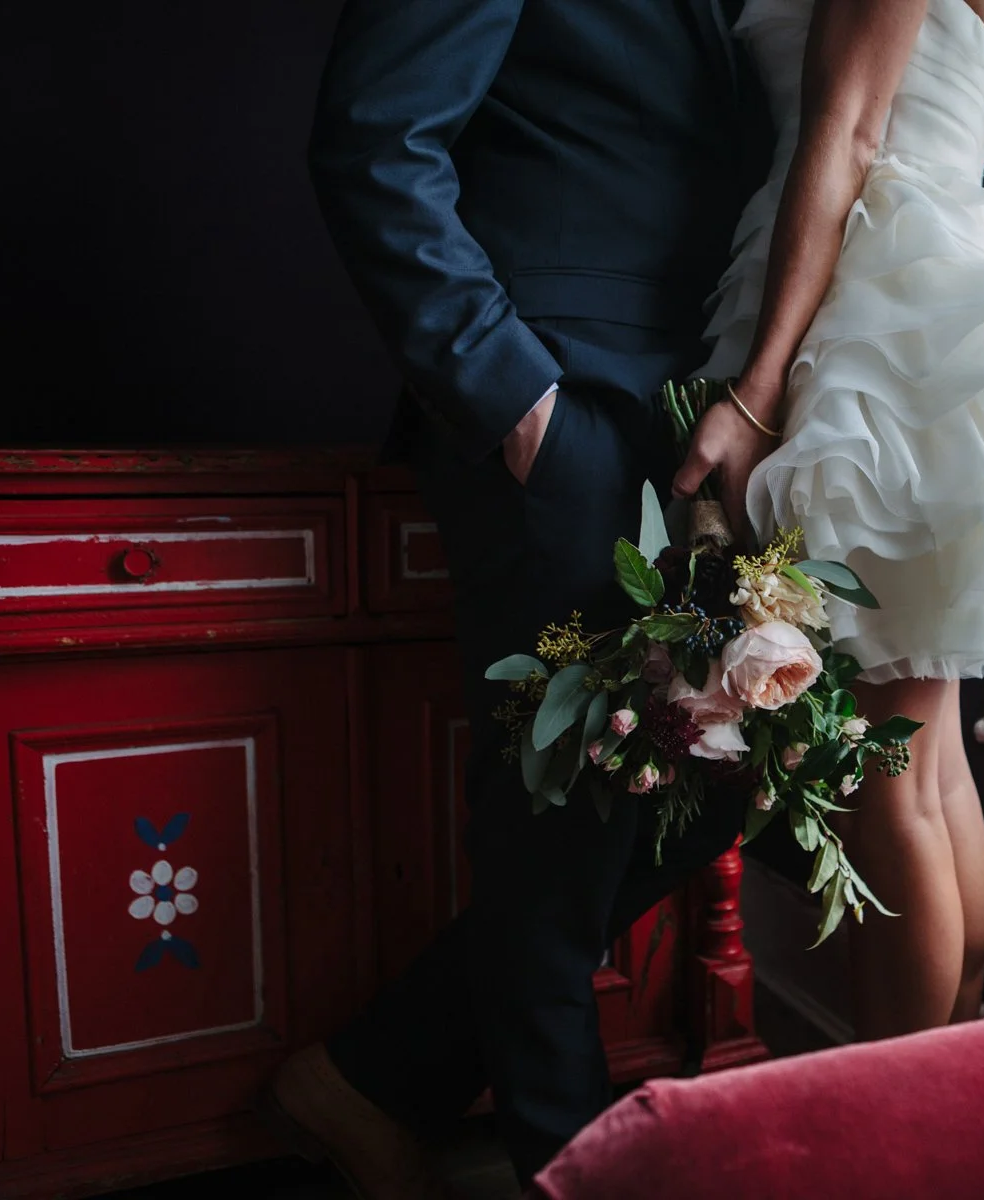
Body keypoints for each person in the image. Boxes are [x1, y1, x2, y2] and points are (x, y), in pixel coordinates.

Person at [268, 2, 768, 1195]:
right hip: (565, 411)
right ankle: (573, 1168)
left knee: (716, 788)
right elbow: (373, 138)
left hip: (703, 426)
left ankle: (368, 1075)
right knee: (556, 819)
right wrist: (519, 405)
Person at [675, 0, 984, 1039]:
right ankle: (947, 1103)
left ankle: (899, 1126)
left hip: (872, 318)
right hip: (921, 314)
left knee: (890, 791)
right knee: (928, 772)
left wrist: (755, 394)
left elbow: (849, 136)